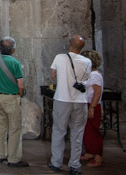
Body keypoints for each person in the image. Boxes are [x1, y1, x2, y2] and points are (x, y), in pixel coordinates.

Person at [48, 35, 92, 175]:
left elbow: (53, 74)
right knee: (77, 133)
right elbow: (87, 78)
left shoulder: (60, 58)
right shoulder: (87, 61)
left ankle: (56, 162)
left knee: (59, 131)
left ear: (69, 44)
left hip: (62, 98)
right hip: (80, 100)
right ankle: (74, 164)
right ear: (82, 47)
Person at [0, 36, 28, 167]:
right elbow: (21, 85)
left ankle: (1, 155)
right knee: (15, 128)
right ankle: (13, 158)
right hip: (11, 98)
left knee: (1, 128)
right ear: (13, 50)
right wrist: (20, 95)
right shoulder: (15, 63)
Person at [80, 50, 104, 167]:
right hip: (87, 103)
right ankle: (90, 152)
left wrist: (92, 108)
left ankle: (98, 157)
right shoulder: (89, 74)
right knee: (87, 130)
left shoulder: (95, 75)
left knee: (93, 131)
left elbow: (97, 93)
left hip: (93, 105)